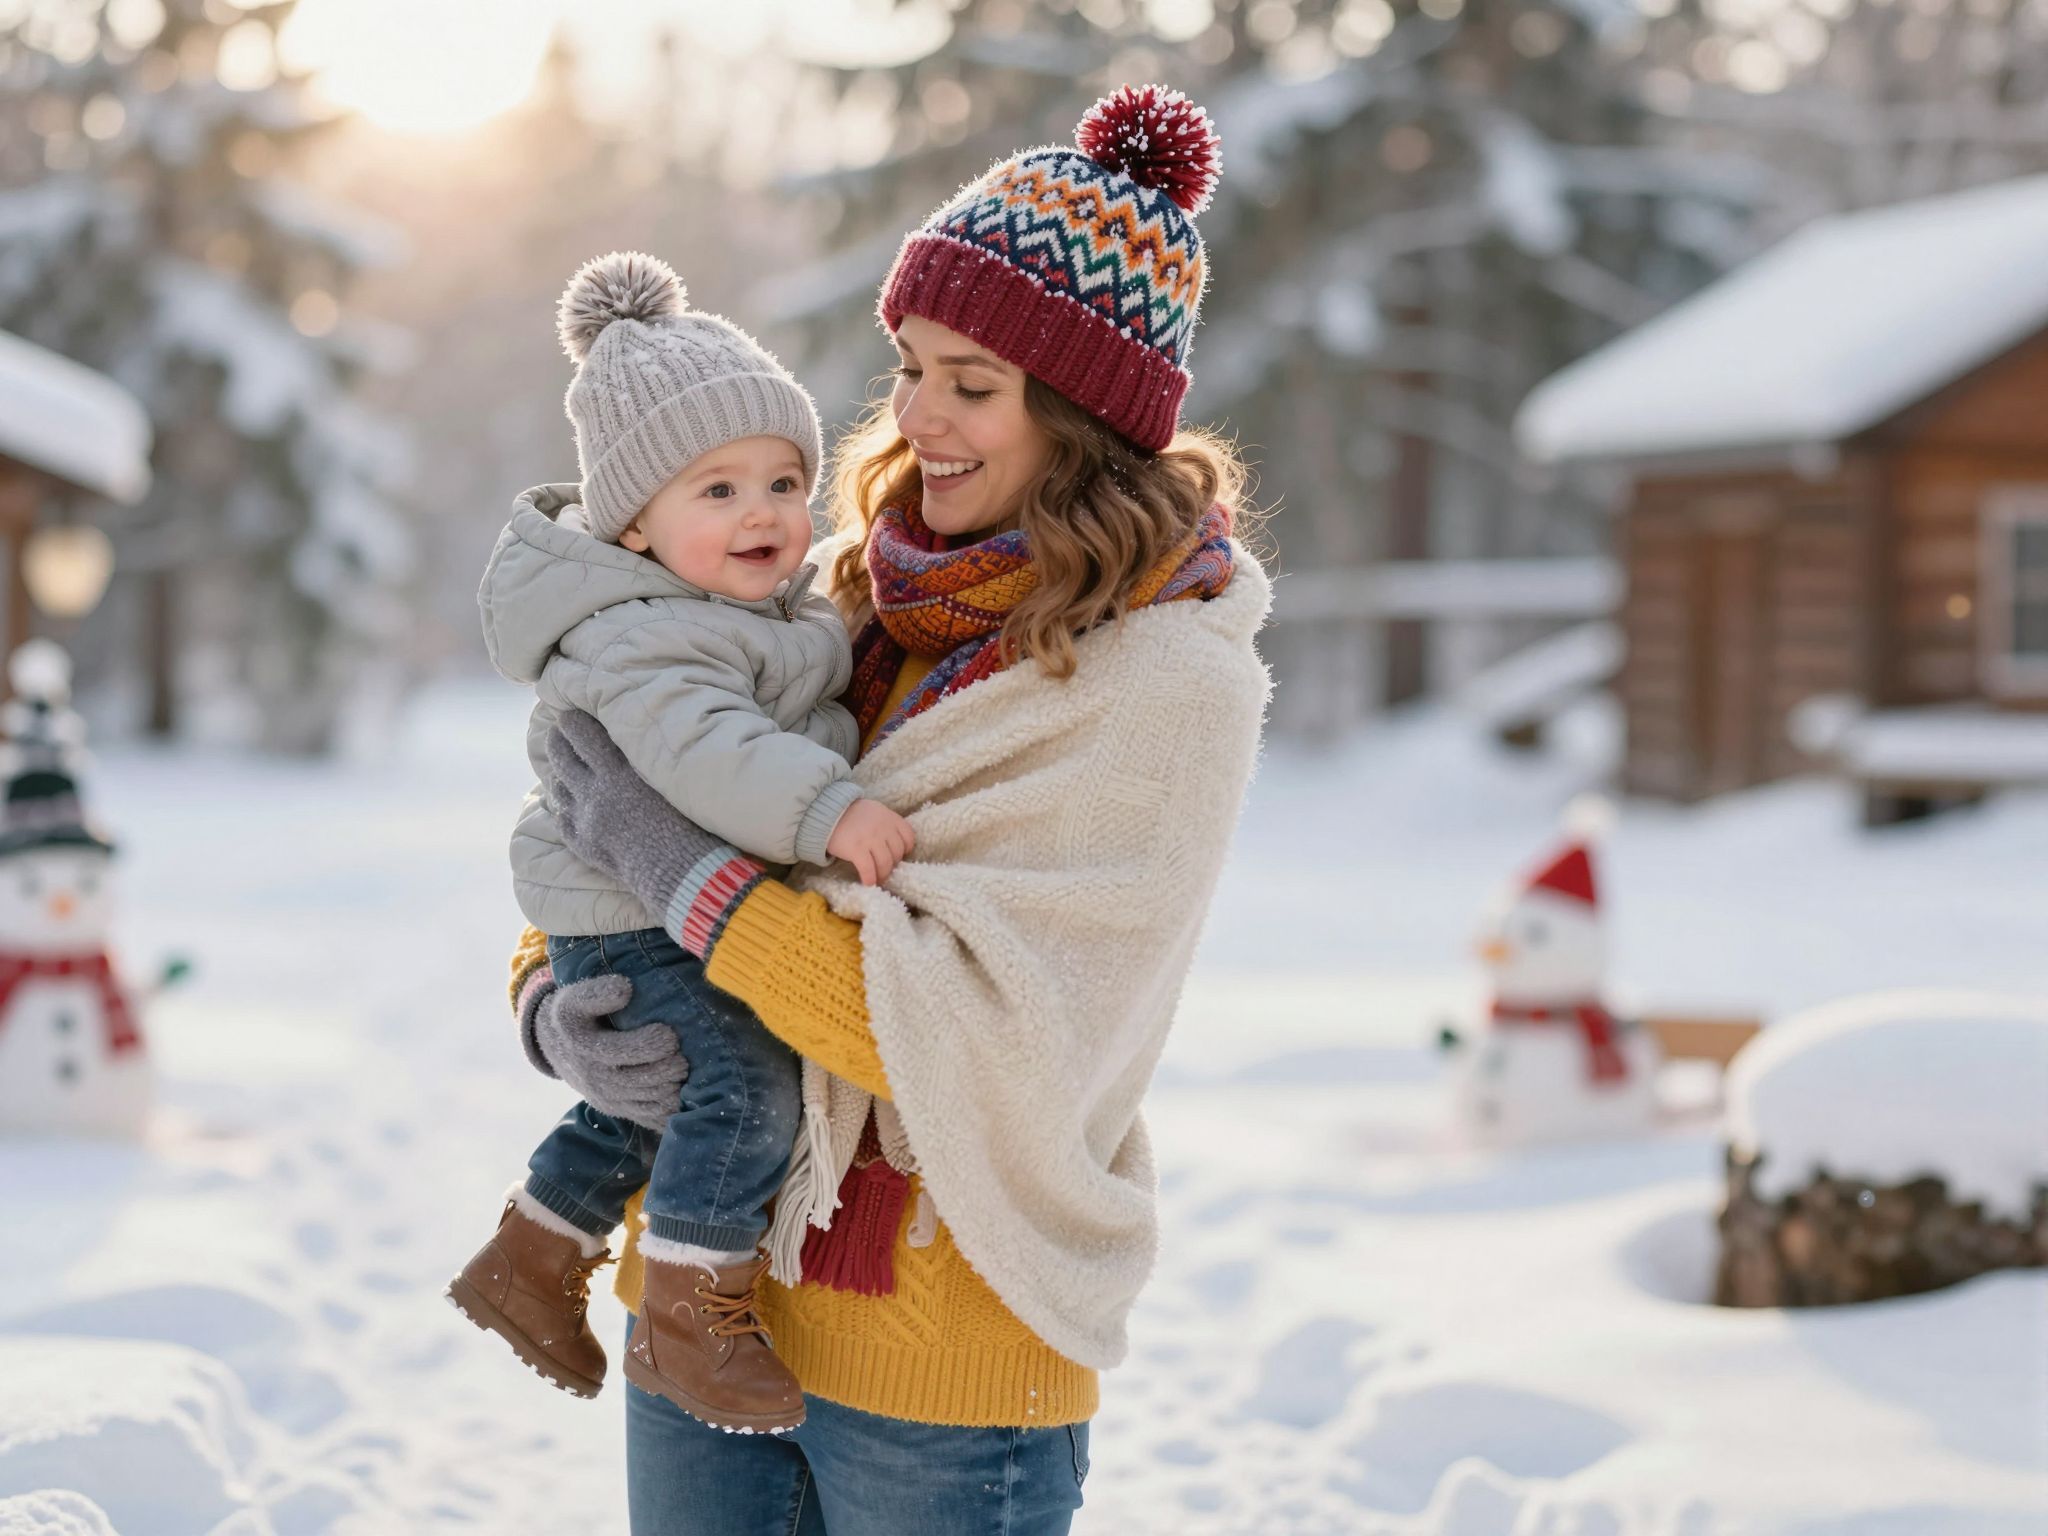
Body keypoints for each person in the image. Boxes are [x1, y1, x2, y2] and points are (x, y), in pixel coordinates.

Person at [511, 84, 1270, 1533]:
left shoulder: (1166, 685)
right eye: (909, 364)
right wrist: (553, 1007)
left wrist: (678, 876)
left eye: (970, 384)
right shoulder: (848, 600)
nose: (915, 418)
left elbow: (968, 1031)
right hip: (706, 1301)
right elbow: (590, 838)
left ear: (1084, 414)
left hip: (945, 1368)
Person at [448, 251, 915, 1434]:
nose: (761, 512)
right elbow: (711, 753)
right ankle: (688, 1313)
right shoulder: (649, 635)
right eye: (715, 492)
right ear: (637, 528)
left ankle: (530, 1256)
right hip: (630, 910)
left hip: (642, 907)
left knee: (656, 1091)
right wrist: (827, 810)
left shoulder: (741, 610)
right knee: (742, 1085)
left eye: (781, 479)